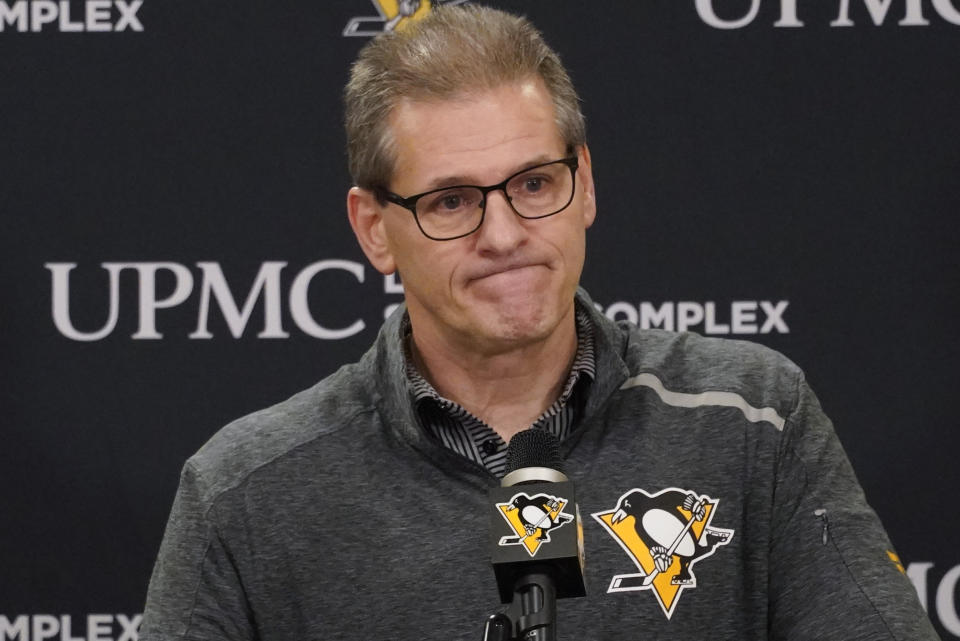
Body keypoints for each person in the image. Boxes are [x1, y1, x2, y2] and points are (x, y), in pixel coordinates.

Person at [140, 5, 937, 640]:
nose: (505, 234)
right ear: (374, 228)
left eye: (532, 182)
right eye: (451, 200)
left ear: (583, 183)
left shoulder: (754, 417)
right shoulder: (244, 492)